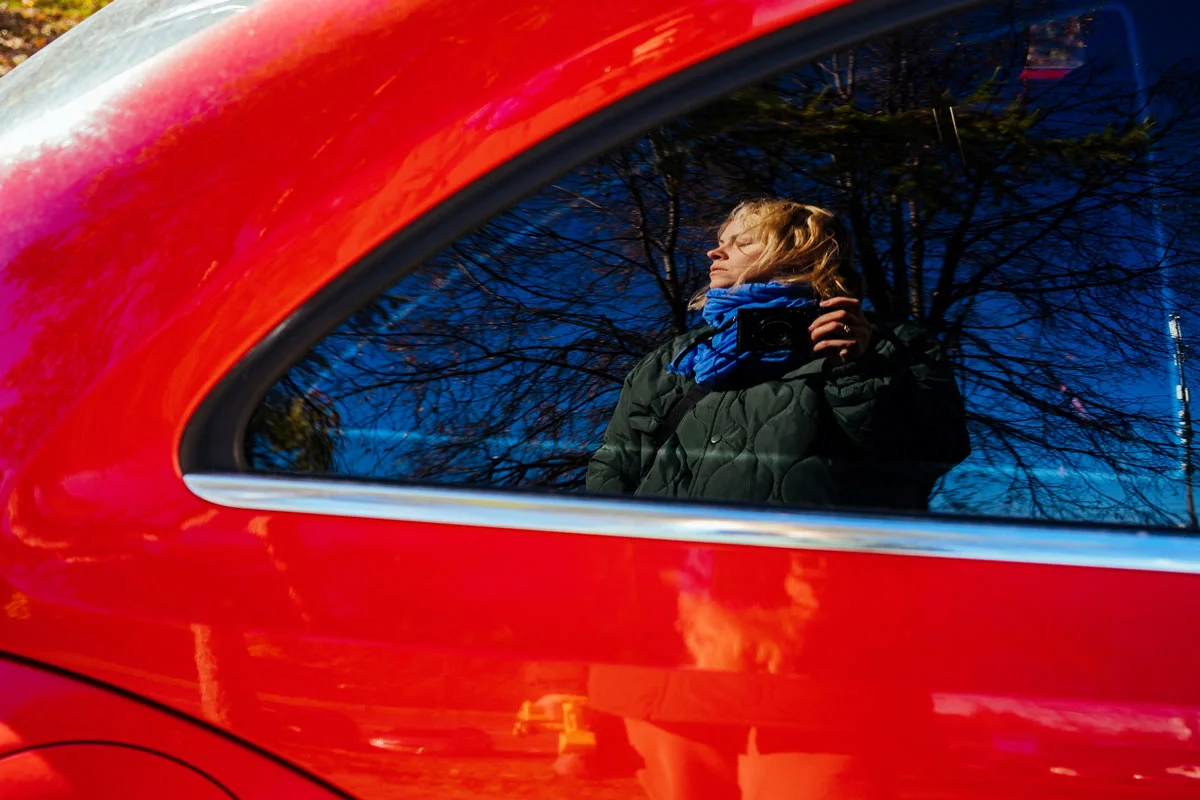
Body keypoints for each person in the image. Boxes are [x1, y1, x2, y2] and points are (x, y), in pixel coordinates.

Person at [583, 198, 971, 800]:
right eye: (720, 240)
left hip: (822, 655)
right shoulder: (673, 360)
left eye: (740, 241)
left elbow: (929, 454)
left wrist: (858, 369)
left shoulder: (890, 346)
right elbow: (612, 478)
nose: (715, 250)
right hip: (675, 643)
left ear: (799, 252)